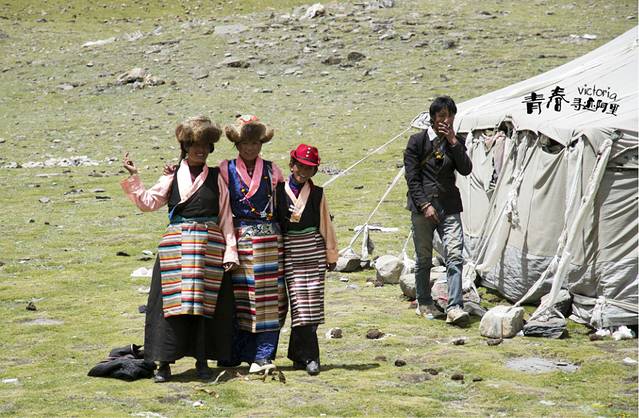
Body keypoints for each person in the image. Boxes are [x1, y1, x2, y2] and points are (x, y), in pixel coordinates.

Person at [120, 116, 239, 382]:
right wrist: (134, 176)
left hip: (209, 249)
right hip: (176, 248)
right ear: (185, 146)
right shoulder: (172, 175)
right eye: (195, 144)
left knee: (205, 306)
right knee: (169, 306)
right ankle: (163, 363)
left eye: (205, 145)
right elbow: (148, 202)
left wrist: (230, 251)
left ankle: (202, 361)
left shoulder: (218, 177)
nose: (200, 150)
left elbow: (225, 216)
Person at [218, 115, 288, 373]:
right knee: (240, 299)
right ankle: (235, 353)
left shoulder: (273, 170)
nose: (250, 148)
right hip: (239, 241)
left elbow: (283, 203)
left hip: (270, 242)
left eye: (255, 142)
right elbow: (222, 207)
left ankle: (263, 355)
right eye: (245, 143)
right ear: (237, 144)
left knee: (270, 300)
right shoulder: (225, 169)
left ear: (261, 143)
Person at [403, 96, 473, 327]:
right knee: (424, 258)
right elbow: (412, 178)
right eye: (442, 115)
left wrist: (453, 141)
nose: (446, 120)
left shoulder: (456, 142)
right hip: (422, 208)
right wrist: (425, 205)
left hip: (449, 206)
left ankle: (454, 307)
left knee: (455, 255)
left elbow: (466, 169)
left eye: (450, 116)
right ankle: (424, 301)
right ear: (432, 118)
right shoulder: (417, 142)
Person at [275, 144, 338, 376]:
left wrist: (331, 254)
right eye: (300, 166)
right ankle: (309, 356)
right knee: (300, 305)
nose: (303, 171)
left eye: (309, 168)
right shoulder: (278, 191)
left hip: (314, 251)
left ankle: (302, 356)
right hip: (290, 251)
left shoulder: (318, 193)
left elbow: (325, 224)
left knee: (313, 304)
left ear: (314, 171)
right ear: (292, 165)